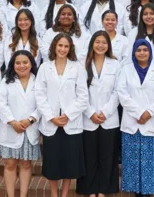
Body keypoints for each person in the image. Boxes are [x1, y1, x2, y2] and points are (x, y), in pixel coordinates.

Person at [34, 33, 90, 197]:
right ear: (54, 47)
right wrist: (51, 117)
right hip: (51, 123)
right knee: (52, 163)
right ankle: (53, 193)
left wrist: (67, 115)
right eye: (60, 45)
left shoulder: (78, 68)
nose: (63, 49)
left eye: (66, 46)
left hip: (70, 123)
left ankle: (64, 194)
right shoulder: (45, 67)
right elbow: (39, 95)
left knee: (68, 163)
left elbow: (83, 96)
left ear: (70, 48)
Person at [117, 39, 154, 197]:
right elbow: (122, 94)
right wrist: (139, 113)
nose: (142, 53)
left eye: (145, 50)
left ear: (150, 52)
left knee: (149, 168)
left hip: (151, 124)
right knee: (132, 167)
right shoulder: (126, 70)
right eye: (138, 50)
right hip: (131, 125)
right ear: (134, 52)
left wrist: (148, 113)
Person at [78, 31, 122, 197]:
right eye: (97, 42)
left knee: (107, 156)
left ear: (108, 45)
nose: (101, 45)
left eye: (104, 42)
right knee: (89, 156)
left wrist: (105, 112)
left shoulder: (115, 64)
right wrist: (90, 113)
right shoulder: (83, 63)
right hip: (87, 118)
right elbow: (79, 92)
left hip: (109, 118)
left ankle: (103, 191)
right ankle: (90, 191)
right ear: (92, 43)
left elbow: (118, 91)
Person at [0, 50, 40, 197]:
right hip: (11, 128)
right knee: (10, 164)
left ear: (31, 64)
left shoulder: (38, 80)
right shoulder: (6, 81)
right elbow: (1, 105)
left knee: (26, 164)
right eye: (18, 63)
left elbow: (43, 104)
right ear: (13, 65)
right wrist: (13, 122)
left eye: (25, 62)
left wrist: (30, 120)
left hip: (30, 128)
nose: (22, 66)